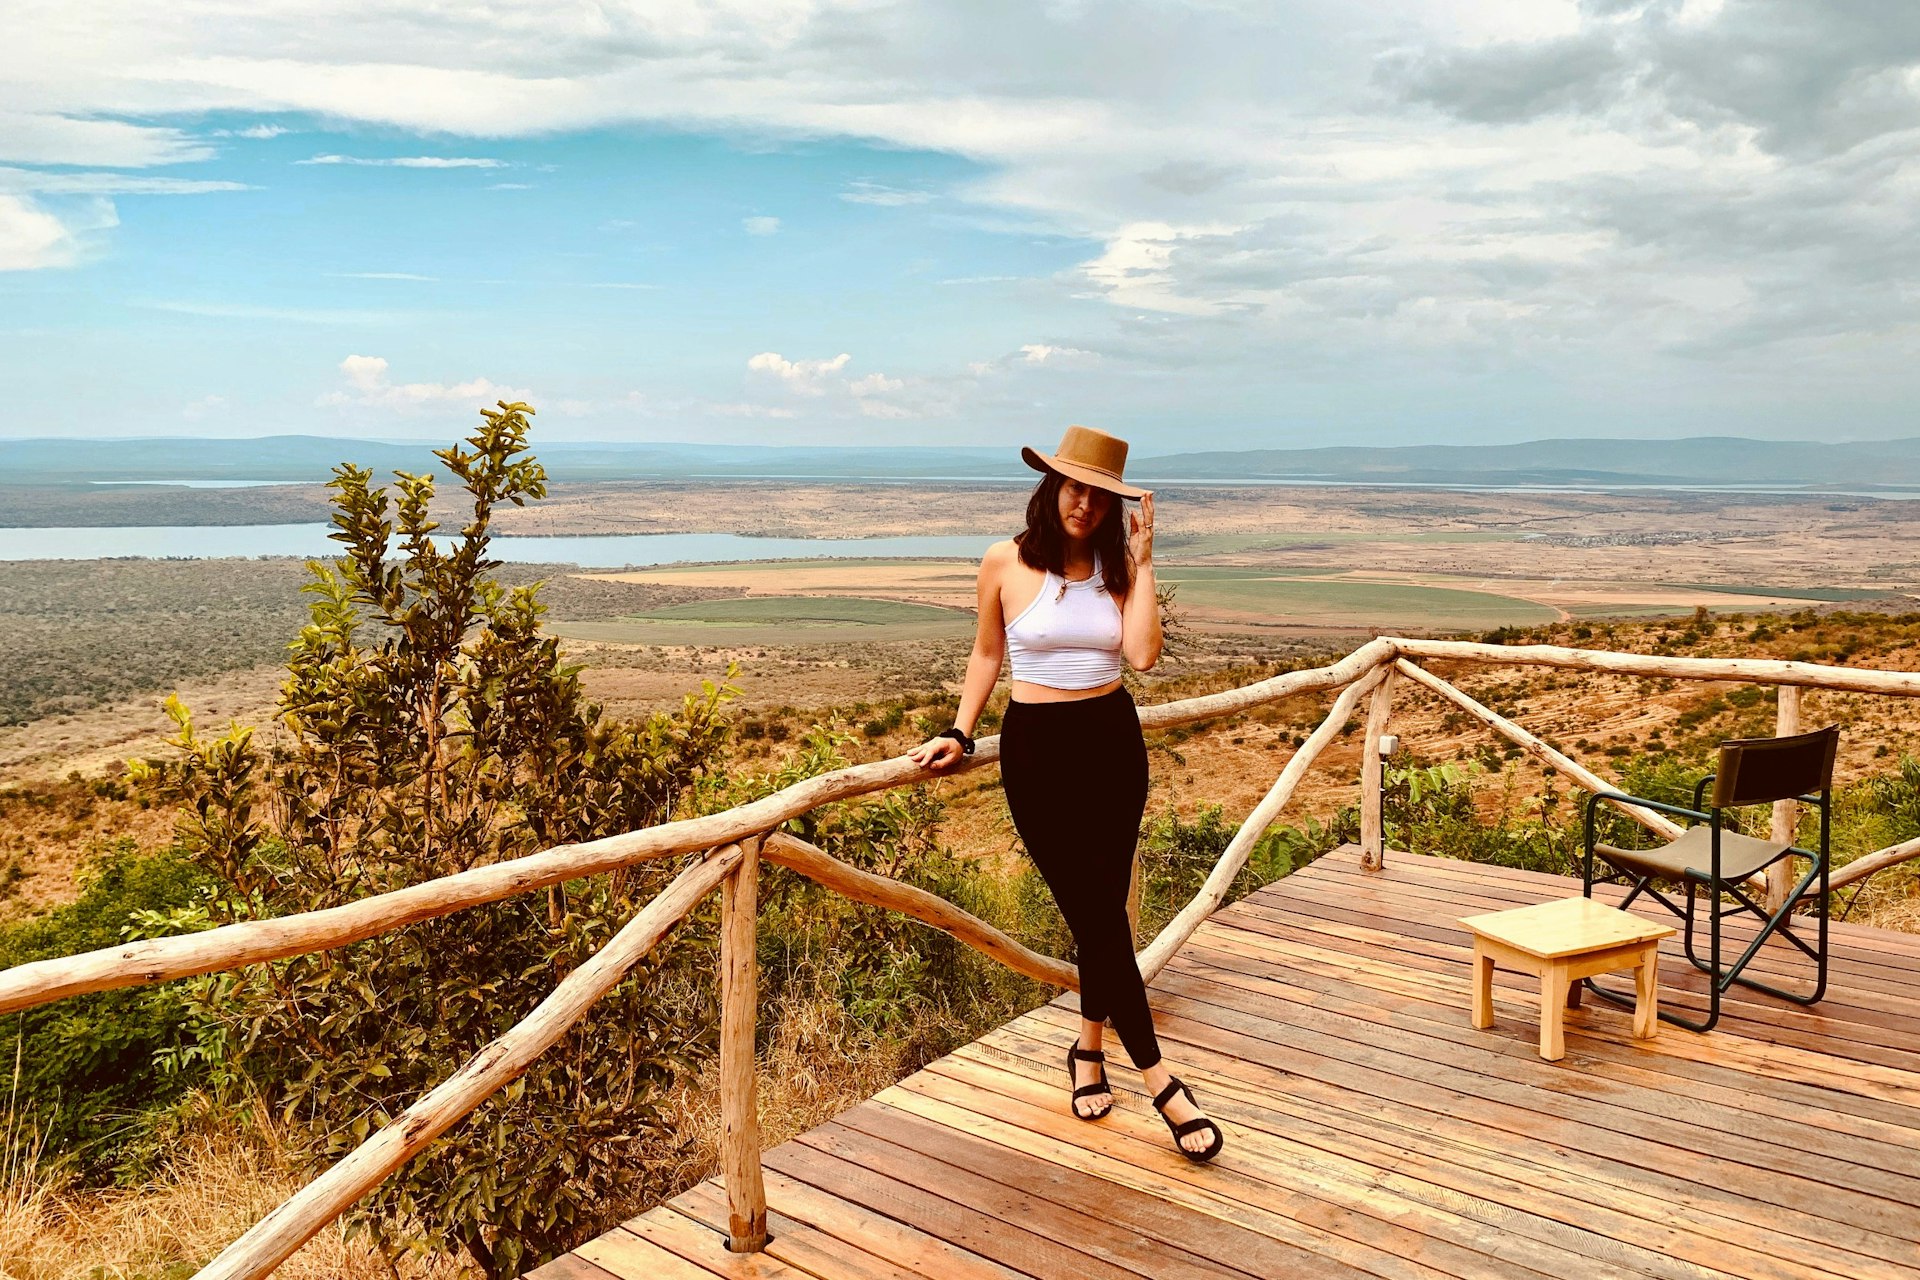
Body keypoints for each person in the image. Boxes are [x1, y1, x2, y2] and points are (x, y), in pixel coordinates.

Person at [906, 424, 1225, 1163]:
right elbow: (988, 650)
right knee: (1094, 913)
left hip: (1113, 745)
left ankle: (1089, 1050)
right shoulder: (1004, 562)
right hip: (1037, 751)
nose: (1083, 503)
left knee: (1103, 913)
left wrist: (1144, 562)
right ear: (1051, 488)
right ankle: (1162, 1080)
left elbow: (1143, 655)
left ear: (1114, 508)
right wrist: (960, 729)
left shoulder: (1117, 570)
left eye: (1099, 494)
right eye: (1073, 486)